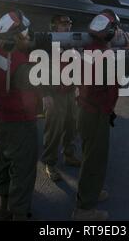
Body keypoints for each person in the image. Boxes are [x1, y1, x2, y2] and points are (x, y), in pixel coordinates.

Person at [72, 9, 129, 221]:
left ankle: (90, 192)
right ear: (110, 33)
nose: (120, 31)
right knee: (94, 161)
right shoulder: (108, 58)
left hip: (85, 111)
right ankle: (84, 209)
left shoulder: (89, 50)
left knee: (89, 157)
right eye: (117, 29)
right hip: (95, 117)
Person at [0, 9, 42, 221]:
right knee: (23, 172)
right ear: (16, 36)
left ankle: (4, 209)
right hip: (20, 125)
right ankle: (19, 213)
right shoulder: (22, 64)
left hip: (0, 121)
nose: (29, 35)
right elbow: (33, 100)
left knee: (4, 164)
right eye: (25, 32)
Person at [41, 15, 81, 182]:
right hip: (54, 94)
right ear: (54, 27)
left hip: (70, 92)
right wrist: (45, 94)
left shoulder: (71, 44)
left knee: (72, 125)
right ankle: (50, 163)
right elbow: (40, 69)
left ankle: (69, 154)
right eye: (63, 24)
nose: (67, 27)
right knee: (54, 130)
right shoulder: (48, 46)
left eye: (69, 24)